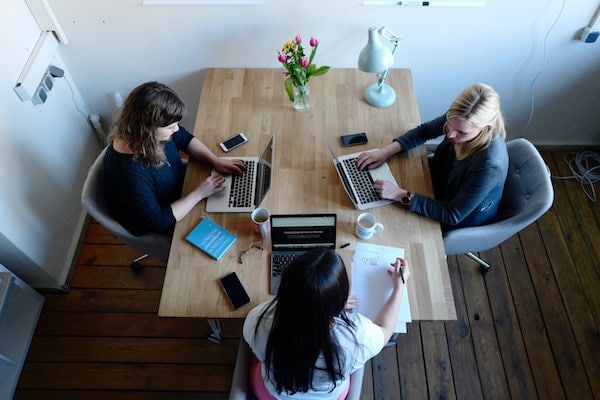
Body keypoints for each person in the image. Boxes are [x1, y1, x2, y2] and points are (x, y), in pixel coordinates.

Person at [243, 248, 409, 399]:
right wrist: (398, 287)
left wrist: (322, 303)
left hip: (271, 393)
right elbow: (385, 330)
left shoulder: (257, 320)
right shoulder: (356, 338)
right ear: (340, 300)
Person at [356, 83, 509, 230]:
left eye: (461, 132)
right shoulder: (460, 118)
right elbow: (425, 131)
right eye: (450, 124)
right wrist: (385, 152)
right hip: (437, 183)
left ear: (486, 127)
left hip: (456, 216)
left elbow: (452, 214)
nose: (450, 134)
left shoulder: (489, 165)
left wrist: (399, 194)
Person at [102, 81, 246, 236]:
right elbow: (158, 221)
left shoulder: (148, 136)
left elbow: (184, 138)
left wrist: (215, 160)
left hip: (182, 189)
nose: (176, 129)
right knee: (231, 226)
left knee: (235, 205)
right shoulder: (130, 173)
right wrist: (199, 193)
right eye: (170, 127)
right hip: (165, 217)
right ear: (147, 129)